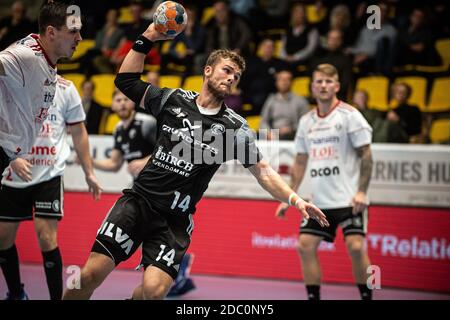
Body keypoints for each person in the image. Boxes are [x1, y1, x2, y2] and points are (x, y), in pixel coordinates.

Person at [62, 21, 329, 300]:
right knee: (90, 275)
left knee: (153, 292)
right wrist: (149, 36)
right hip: (138, 202)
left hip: (174, 220)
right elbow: (126, 81)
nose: (230, 78)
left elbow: (263, 171)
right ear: (208, 70)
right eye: (227, 70)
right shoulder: (173, 100)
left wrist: (295, 200)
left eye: (236, 76)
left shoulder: (234, 128)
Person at [275, 64, 374, 300]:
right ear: (312, 87)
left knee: (356, 247)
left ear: (337, 86)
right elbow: (300, 161)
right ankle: (313, 297)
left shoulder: (350, 115)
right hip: (320, 201)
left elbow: (367, 156)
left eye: (329, 81)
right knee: (305, 245)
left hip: (349, 199)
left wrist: (362, 192)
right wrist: (290, 195)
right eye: (319, 81)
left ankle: (367, 296)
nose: (323, 85)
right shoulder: (307, 121)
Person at [0, 75, 102, 300]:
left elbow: (78, 131)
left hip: (49, 173)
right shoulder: (10, 83)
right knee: (2, 239)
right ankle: (17, 294)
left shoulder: (66, 88)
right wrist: (11, 156)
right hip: (13, 174)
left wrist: (89, 172)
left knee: (47, 237)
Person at [0, 0, 82, 176]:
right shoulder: (26, 57)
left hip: (7, 153)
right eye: (73, 31)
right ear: (51, 32)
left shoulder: (46, 57)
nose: (79, 38)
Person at [92, 88, 157, 179]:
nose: (122, 103)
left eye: (126, 99)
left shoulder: (146, 122)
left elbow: (168, 149)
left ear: (133, 102)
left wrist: (145, 161)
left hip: (159, 182)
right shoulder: (118, 130)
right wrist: (90, 161)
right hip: (140, 184)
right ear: (113, 106)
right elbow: (114, 164)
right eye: (118, 100)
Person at [259, 69, 309, 140]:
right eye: (281, 79)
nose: (284, 82)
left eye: (287, 79)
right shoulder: (271, 100)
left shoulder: (301, 101)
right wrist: (268, 132)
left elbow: (306, 123)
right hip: (273, 135)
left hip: (293, 135)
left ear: (291, 82)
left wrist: (291, 129)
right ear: (276, 82)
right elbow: (263, 121)